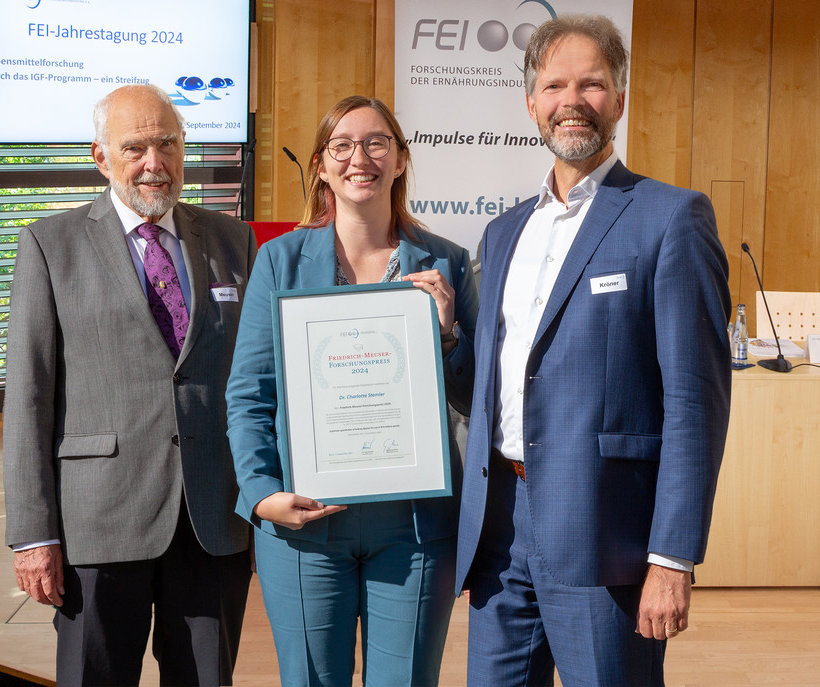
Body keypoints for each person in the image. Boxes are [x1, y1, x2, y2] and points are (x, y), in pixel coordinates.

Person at [456, 15, 731, 687]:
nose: (570, 100)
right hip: (500, 538)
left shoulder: (670, 218)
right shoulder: (502, 233)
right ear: (531, 103)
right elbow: (491, 389)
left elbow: (694, 402)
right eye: (554, 85)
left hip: (611, 543)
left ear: (620, 98)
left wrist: (672, 556)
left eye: (592, 83)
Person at [3, 84, 256, 686]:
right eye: (135, 147)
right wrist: (33, 534)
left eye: (167, 144)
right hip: (98, 523)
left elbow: (255, 378)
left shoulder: (232, 240)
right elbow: (29, 398)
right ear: (101, 158)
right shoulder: (49, 245)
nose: (154, 163)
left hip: (211, 520)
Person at [225, 95, 478, 686]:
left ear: (400, 160)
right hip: (304, 524)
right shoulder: (278, 261)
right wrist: (261, 493)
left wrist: (446, 336)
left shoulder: (449, 263)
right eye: (342, 145)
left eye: (376, 143)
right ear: (320, 164)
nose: (358, 158)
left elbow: (474, 397)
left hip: (413, 527)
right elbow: (249, 392)